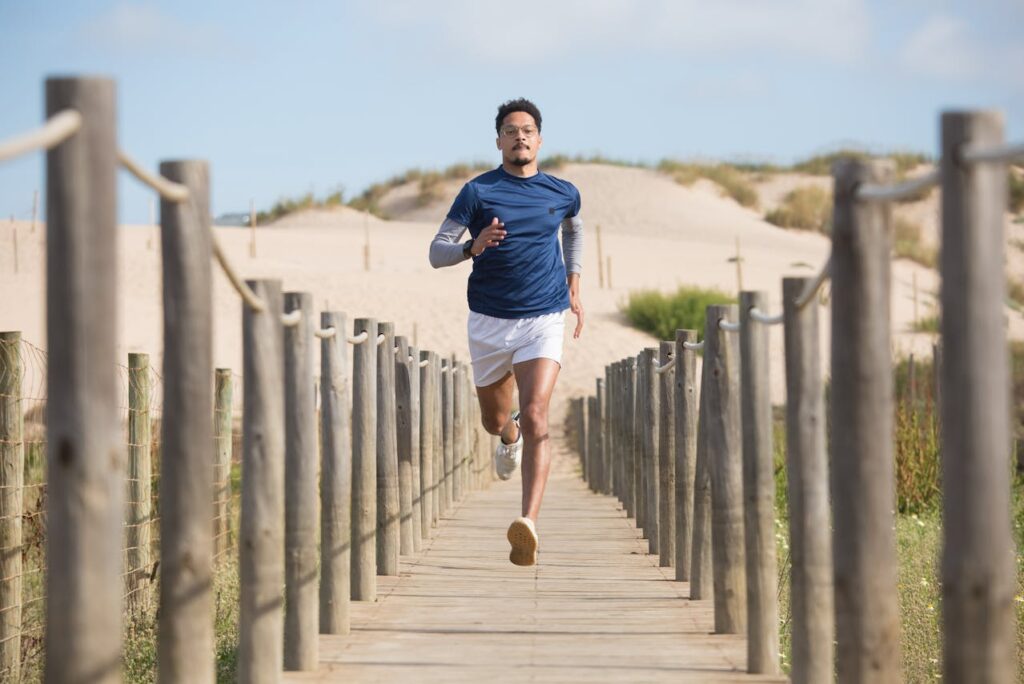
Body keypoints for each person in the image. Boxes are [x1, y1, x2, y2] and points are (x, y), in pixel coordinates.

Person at [428, 98, 584, 567]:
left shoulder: (563, 192)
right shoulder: (477, 193)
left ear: (539, 139)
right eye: (511, 130)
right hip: (490, 322)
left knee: (538, 414)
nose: (520, 137)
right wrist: (471, 248)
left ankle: (527, 524)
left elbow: (574, 231)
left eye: (529, 130)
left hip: (544, 317)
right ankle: (507, 437)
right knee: (497, 421)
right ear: (497, 140)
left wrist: (574, 280)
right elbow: (437, 252)